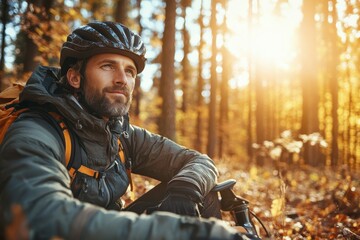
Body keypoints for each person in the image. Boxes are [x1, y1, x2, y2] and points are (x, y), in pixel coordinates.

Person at [0, 21, 255, 240]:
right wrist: (188, 233)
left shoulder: (122, 135)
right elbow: (38, 216)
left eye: (130, 71)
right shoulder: (37, 131)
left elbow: (197, 160)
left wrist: (184, 191)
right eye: (108, 66)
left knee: (203, 192)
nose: (122, 79)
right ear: (75, 78)